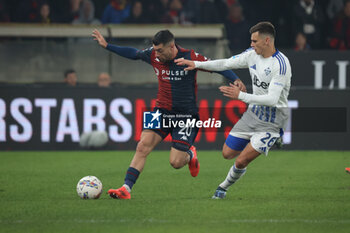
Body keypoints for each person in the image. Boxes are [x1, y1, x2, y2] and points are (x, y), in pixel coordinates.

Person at [92, 28, 246, 199]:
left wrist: (236, 79)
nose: (156, 54)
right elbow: (134, 53)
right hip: (161, 110)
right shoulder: (153, 55)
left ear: (172, 47)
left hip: (186, 115)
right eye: (155, 50)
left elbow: (217, 65)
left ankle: (189, 154)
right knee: (142, 146)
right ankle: (126, 189)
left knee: (176, 162)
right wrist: (107, 45)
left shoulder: (190, 57)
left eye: (160, 50)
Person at [175, 21, 292, 199]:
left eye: (255, 41)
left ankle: (222, 188)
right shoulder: (252, 55)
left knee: (241, 160)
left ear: (267, 40)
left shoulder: (281, 65)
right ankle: (269, 142)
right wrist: (196, 64)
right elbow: (226, 63)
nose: (251, 45)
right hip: (253, 114)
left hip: (273, 121)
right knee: (227, 153)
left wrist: (240, 96)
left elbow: (272, 99)